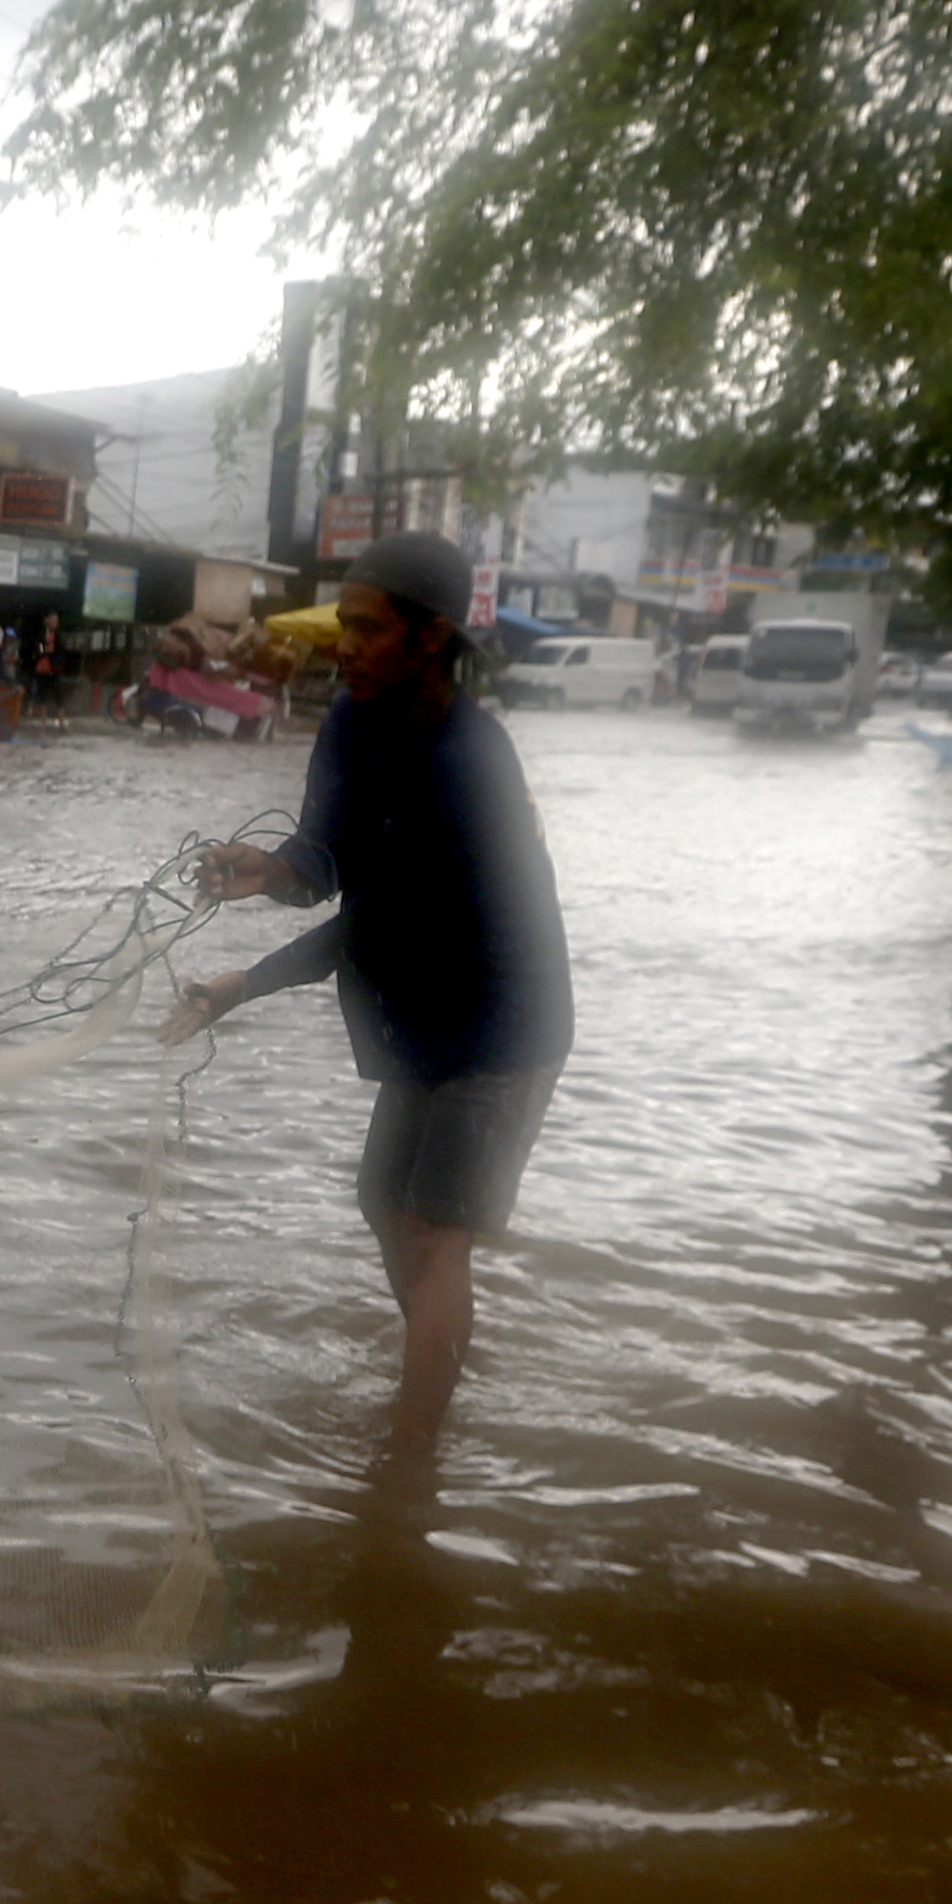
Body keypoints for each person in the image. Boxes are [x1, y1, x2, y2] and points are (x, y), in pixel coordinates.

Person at [163, 533, 570, 1468]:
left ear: (432, 638)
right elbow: (325, 858)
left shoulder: (471, 763)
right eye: (343, 624)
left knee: (433, 1229)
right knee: (383, 1202)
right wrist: (267, 869)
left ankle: (407, 1465)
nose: (345, 646)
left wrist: (241, 984)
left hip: (503, 1021)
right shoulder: (351, 719)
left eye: (368, 629)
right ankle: (438, 1356)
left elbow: (370, 924)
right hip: (421, 1008)